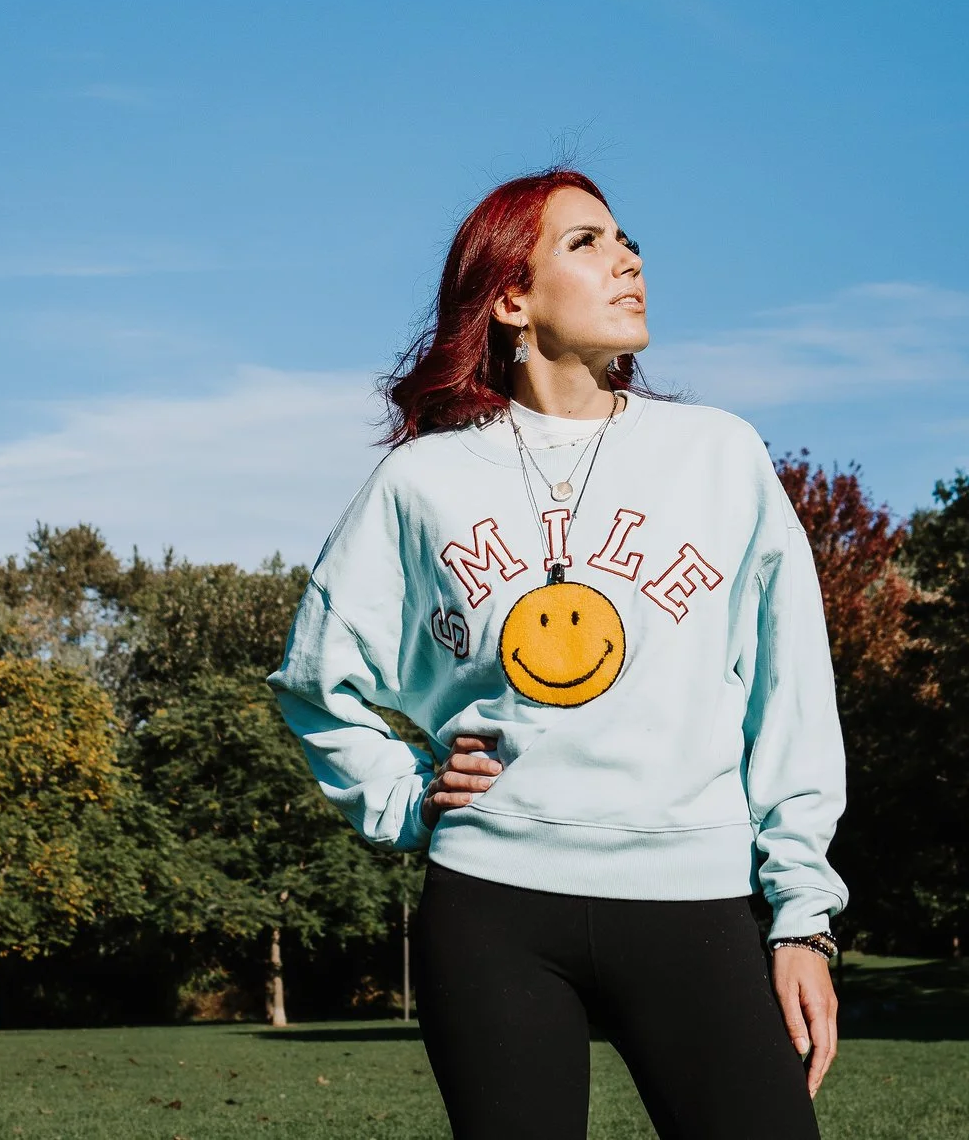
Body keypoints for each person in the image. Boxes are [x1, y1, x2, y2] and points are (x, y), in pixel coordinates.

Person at [270, 168, 847, 1140]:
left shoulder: (717, 455)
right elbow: (317, 679)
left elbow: (791, 692)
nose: (627, 259)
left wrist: (802, 915)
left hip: (691, 898)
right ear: (510, 297)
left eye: (627, 240)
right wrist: (406, 796)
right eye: (585, 243)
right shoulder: (425, 483)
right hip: (495, 907)